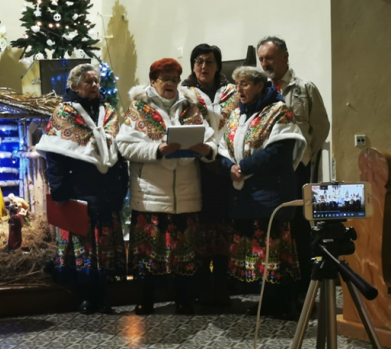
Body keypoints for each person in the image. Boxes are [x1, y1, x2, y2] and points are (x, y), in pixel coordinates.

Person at [117, 58, 217, 316]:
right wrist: (156, 149)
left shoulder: (190, 108)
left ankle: (183, 299)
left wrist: (208, 150)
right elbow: (124, 145)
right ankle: (145, 299)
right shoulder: (138, 109)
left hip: (186, 193)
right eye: (165, 79)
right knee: (148, 251)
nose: (171, 83)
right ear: (153, 82)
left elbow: (210, 138)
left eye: (175, 78)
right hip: (150, 193)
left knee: (185, 252)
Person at [37, 64, 128, 315]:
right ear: (74, 85)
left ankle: (103, 296)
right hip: (78, 190)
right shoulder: (64, 113)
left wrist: (122, 186)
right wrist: (60, 191)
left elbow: (118, 153)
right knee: (82, 248)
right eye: (88, 81)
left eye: (97, 81)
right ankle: (84, 297)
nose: (94, 85)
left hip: (107, 190)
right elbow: (54, 156)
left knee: (105, 248)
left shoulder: (108, 111)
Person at [217, 66, 306, 319]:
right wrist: (229, 166)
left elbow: (279, 150)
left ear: (259, 85)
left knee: (274, 249)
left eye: (245, 84)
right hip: (246, 193)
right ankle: (267, 302)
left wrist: (242, 168)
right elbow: (222, 147)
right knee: (259, 251)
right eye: (237, 84)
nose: (239, 89)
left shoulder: (278, 111)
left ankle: (285, 303)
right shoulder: (236, 114)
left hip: (271, 192)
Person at [257, 36, 330, 291]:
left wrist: (305, 155)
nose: (265, 63)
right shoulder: (259, 88)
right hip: (267, 171)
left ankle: (304, 284)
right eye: (262, 59)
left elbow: (321, 127)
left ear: (285, 57)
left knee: (298, 224)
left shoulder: (304, 88)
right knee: (272, 225)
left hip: (297, 169)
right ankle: (275, 285)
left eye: (270, 58)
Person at [182, 44, 239, 307]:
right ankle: (202, 286)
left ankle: (223, 288)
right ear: (193, 66)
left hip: (226, 167)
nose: (203, 67)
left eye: (209, 61)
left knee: (225, 228)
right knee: (201, 230)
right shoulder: (185, 93)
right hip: (197, 169)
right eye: (198, 62)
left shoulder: (233, 92)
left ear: (218, 65)